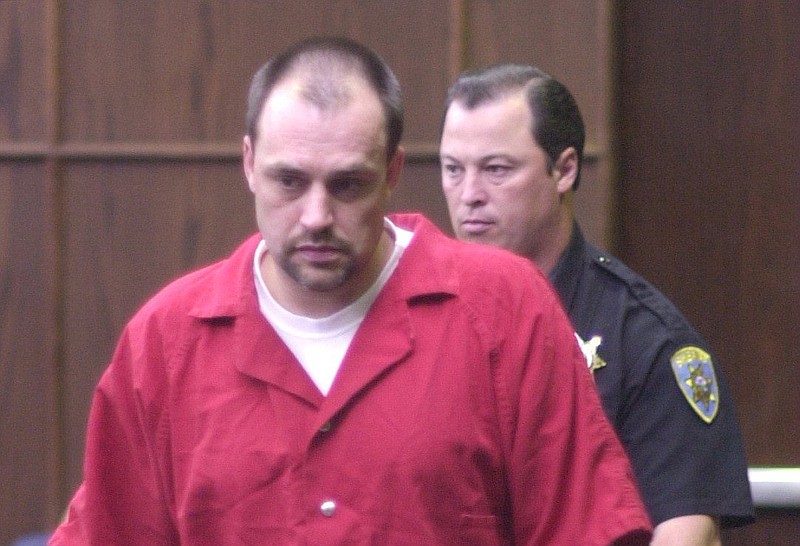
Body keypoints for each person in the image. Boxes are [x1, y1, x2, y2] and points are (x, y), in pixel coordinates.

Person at [49, 38, 652, 545]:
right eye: (289, 180)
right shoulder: (167, 340)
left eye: (347, 184)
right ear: (249, 165)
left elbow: (585, 528)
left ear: (392, 173)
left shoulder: (502, 310)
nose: (316, 215)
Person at [439, 63, 755, 546]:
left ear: (564, 170)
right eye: (453, 170)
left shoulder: (648, 340)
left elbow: (687, 535)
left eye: (496, 170)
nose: (469, 196)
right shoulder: (421, 314)